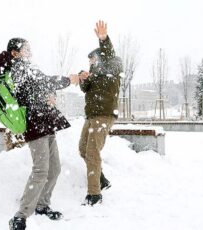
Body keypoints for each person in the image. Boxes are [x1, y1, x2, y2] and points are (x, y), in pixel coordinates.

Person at [0, 38, 80, 230]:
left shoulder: (27, 66)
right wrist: (68, 80)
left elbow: (42, 86)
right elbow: (44, 81)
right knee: (41, 170)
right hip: (35, 124)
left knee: (55, 168)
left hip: (46, 122)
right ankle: (20, 215)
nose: (30, 51)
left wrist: (52, 96)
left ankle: (42, 205)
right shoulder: (17, 67)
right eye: (26, 48)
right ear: (15, 53)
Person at [78, 20, 123, 206]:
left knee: (92, 152)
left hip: (103, 115)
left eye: (93, 60)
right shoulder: (95, 74)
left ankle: (94, 194)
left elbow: (109, 54)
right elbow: (85, 88)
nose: (91, 63)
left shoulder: (112, 66)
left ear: (101, 58)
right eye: (89, 61)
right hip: (91, 116)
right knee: (83, 149)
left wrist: (103, 39)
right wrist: (83, 78)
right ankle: (101, 179)